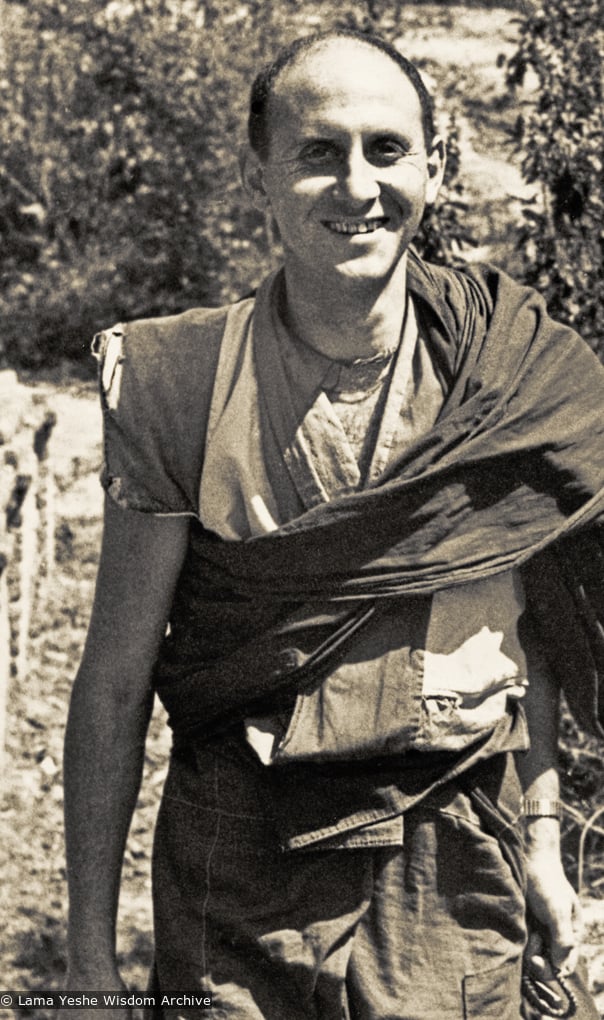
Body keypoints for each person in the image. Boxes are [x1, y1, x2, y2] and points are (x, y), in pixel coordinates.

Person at [63, 29, 604, 1020]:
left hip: (450, 852)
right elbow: (114, 679)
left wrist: (536, 843)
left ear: (435, 170)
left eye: (387, 149)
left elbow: (522, 629)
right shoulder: (182, 383)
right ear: (261, 177)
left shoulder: (513, 378)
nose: (357, 185)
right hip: (237, 853)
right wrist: (88, 954)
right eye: (317, 153)